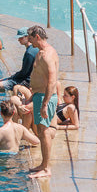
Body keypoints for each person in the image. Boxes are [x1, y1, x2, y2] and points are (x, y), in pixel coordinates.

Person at [25, 26, 61, 179]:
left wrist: (45, 103)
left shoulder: (47, 55)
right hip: (39, 95)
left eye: (30, 38)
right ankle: (43, 164)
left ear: (37, 37)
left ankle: (46, 168)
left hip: (45, 97)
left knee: (45, 132)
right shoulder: (40, 53)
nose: (29, 40)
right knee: (41, 131)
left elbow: (52, 80)